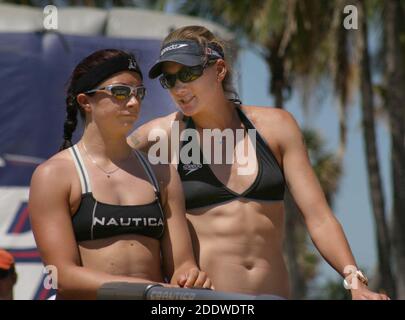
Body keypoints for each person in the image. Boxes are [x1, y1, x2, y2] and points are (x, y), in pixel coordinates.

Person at [128, 25, 390, 300]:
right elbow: (93, 168)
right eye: (170, 80)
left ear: (219, 70)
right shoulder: (158, 137)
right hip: (211, 302)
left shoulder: (276, 127)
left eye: (188, 73)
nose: (179, 87)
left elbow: (319, 218)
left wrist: (354, 280)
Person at [29, 49, 212, 300]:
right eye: (121, 92)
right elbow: (60, 275)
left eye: (139, 92)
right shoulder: (54, 175)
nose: (134, 102)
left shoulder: (161, 172)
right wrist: (145, 289)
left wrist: (191, 275)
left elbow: (181, 265)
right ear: (85, 101)